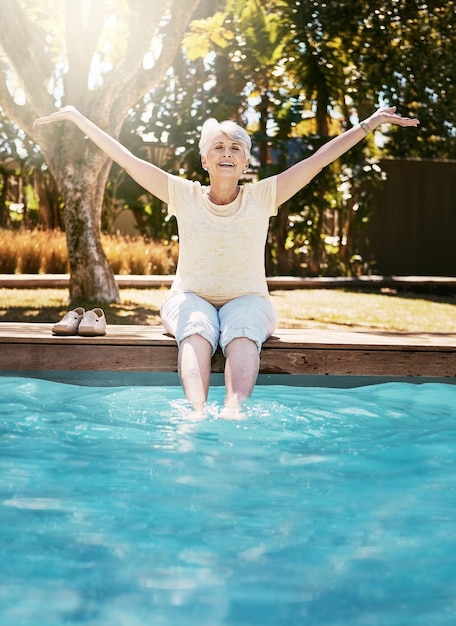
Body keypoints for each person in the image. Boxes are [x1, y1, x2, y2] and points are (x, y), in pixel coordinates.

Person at [34, 105, 419, 415]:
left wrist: (369, 124)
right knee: (197, 328)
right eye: (218, 147)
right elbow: (127, 159)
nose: (227, 153)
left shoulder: (262, 196)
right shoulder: (183, 195)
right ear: (205, 160)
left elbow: (318, 160)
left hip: (248, 298)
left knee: (243, 331)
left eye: (235, 148)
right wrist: (77, 117)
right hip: (189, 296)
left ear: (246, 164)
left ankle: (235, 411)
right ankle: (196, 413)